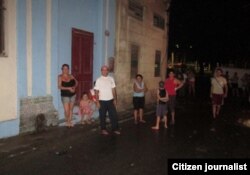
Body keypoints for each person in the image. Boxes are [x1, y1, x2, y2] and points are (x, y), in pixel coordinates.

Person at [94, 65, 120, 135]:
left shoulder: (111, 79)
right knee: (102, 116)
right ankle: (103, 129)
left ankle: (115, 129)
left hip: (111, 100)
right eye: (103, 70)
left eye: (106, 70)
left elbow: (114, 89)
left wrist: (115, 99)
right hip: (102, 101)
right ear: (101, 71)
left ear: (108, 71)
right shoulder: (98, 80)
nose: (105, 71)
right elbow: (96, 91)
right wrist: (97, 102)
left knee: (114, 115)